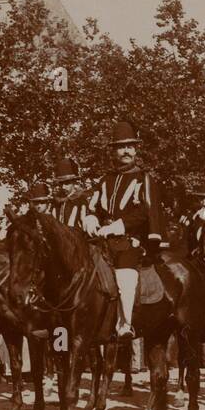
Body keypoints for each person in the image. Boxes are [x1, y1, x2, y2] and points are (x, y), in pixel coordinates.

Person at [85, 120, 165, 338]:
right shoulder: (105, 180)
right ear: (114, 152)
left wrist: (117, 226)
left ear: (136, 150)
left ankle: (125, 324)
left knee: (124, 277)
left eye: (130, 146)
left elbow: (145, 212)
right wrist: (91, 219)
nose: (126, 151)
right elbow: (93, 206)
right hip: (102, 240)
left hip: (130, 240)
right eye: (121, 147)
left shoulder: (143, 179)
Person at [50, 157, 93, 232]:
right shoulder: (57, 202)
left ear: (74, 182)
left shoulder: (80, 200)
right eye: (61, 183)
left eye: (67, 183)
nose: (63, 187)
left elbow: (85, 224)